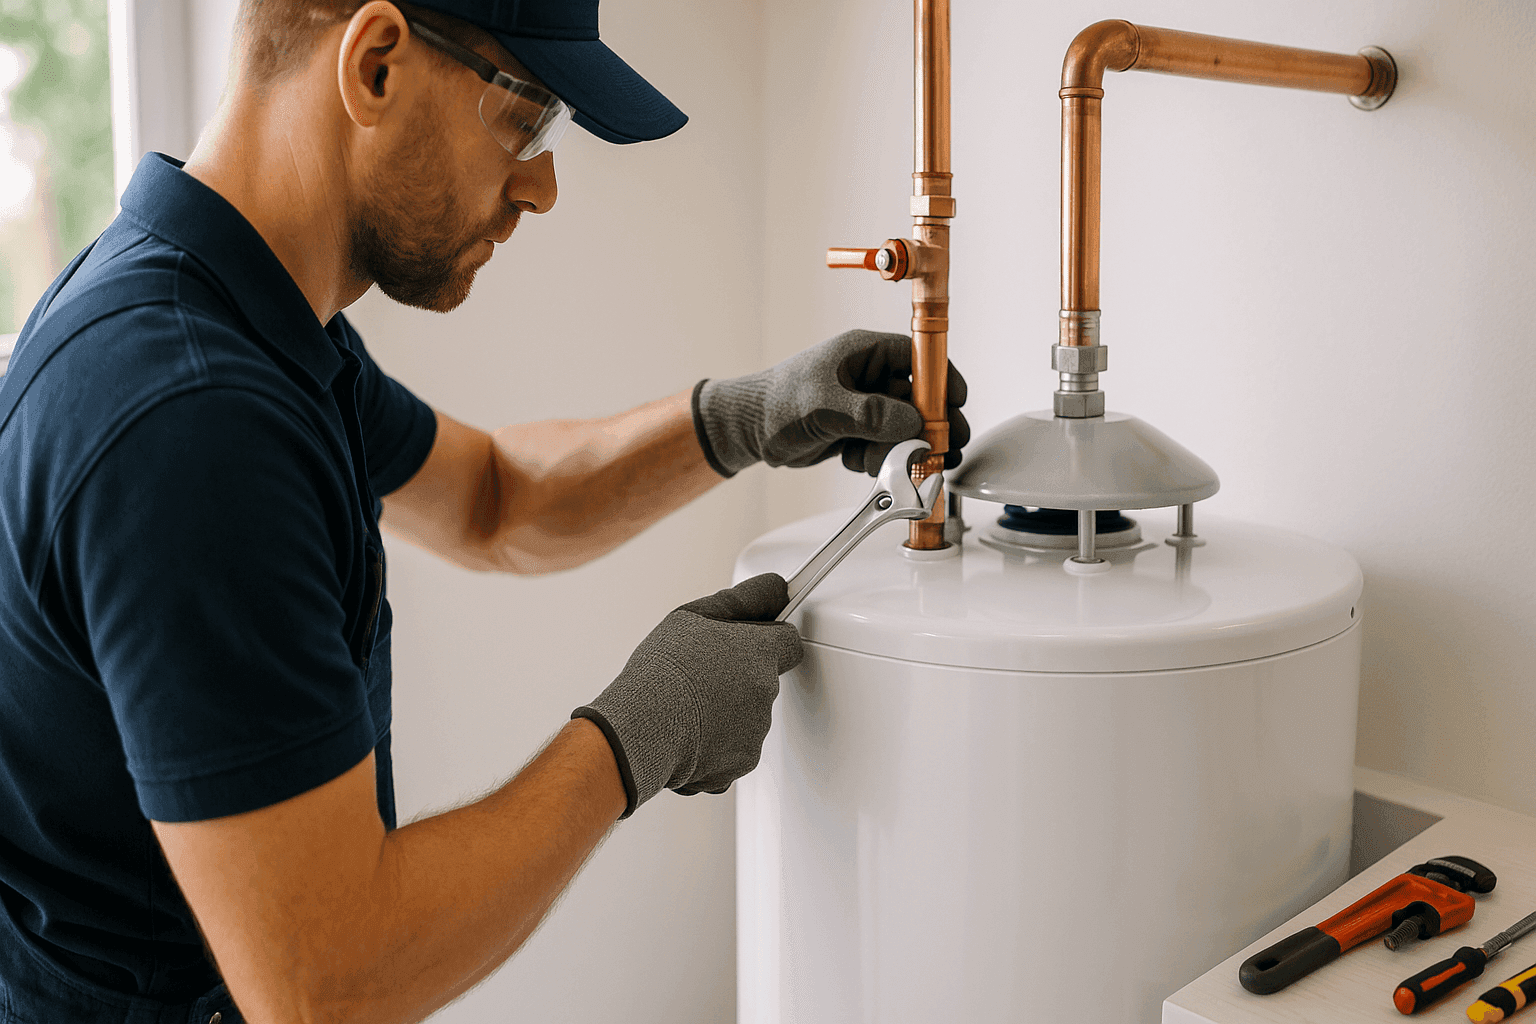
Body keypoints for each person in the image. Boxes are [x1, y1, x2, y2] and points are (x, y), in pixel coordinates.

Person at [0, 1, 969, 1021]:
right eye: (527, 119)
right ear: (375, 64)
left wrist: (745, 417)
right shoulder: (191, 419)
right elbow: (329, 983)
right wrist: (637, 736)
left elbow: (496, 501)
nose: (543, 187)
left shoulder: (239, 312)